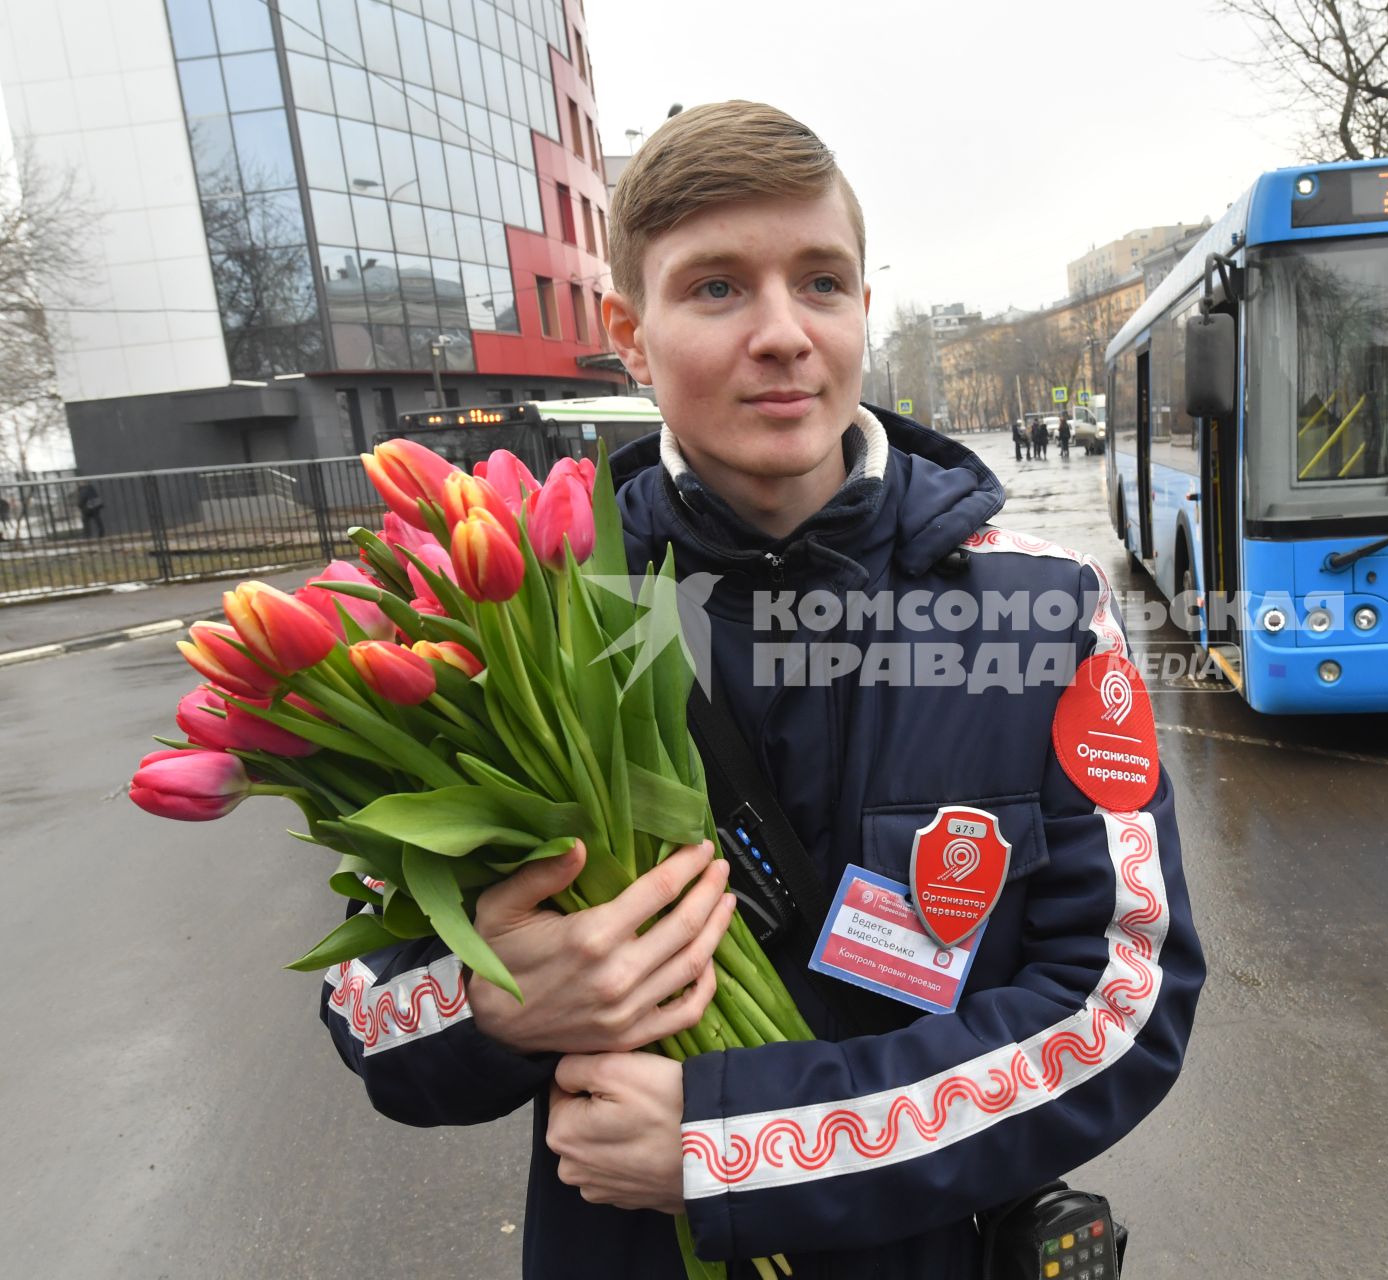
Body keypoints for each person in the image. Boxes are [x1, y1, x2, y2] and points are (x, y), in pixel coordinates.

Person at [321, 100, 1203, 1280]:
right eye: (718, 288)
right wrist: (490, 998)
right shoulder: (524, 613)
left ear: (862, 310)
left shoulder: (1040, 612)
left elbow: (1120, 1004)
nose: (784, 331)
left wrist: (734, 1144)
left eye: (823, 282)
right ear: (630, 336)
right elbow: (362, 1004)